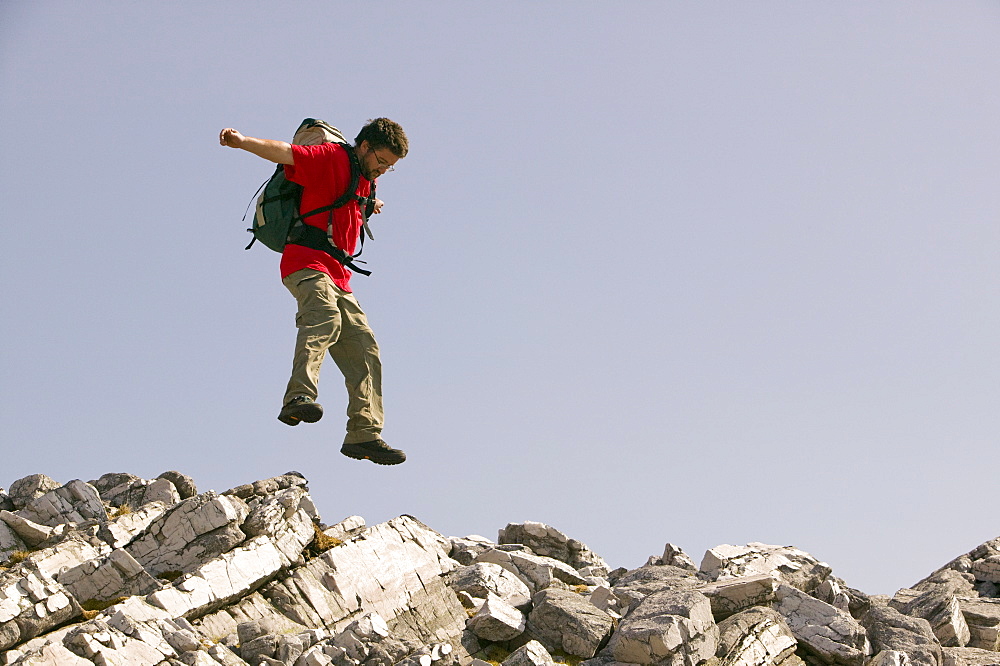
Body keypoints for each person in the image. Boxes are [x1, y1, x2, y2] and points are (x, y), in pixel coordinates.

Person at [219, 118, 409, 466]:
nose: (382, 170)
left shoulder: (366, 181)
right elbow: (287, 153)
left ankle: (363, 434)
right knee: (324, 318)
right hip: (305, 261)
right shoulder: (332, 157)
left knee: (365, 348)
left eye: (390, 167)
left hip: (338, 275)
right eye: (381, 161)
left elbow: (347, 208)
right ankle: (298, 398)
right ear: (364, 147)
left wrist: (371, 204)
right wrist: (243, 141)